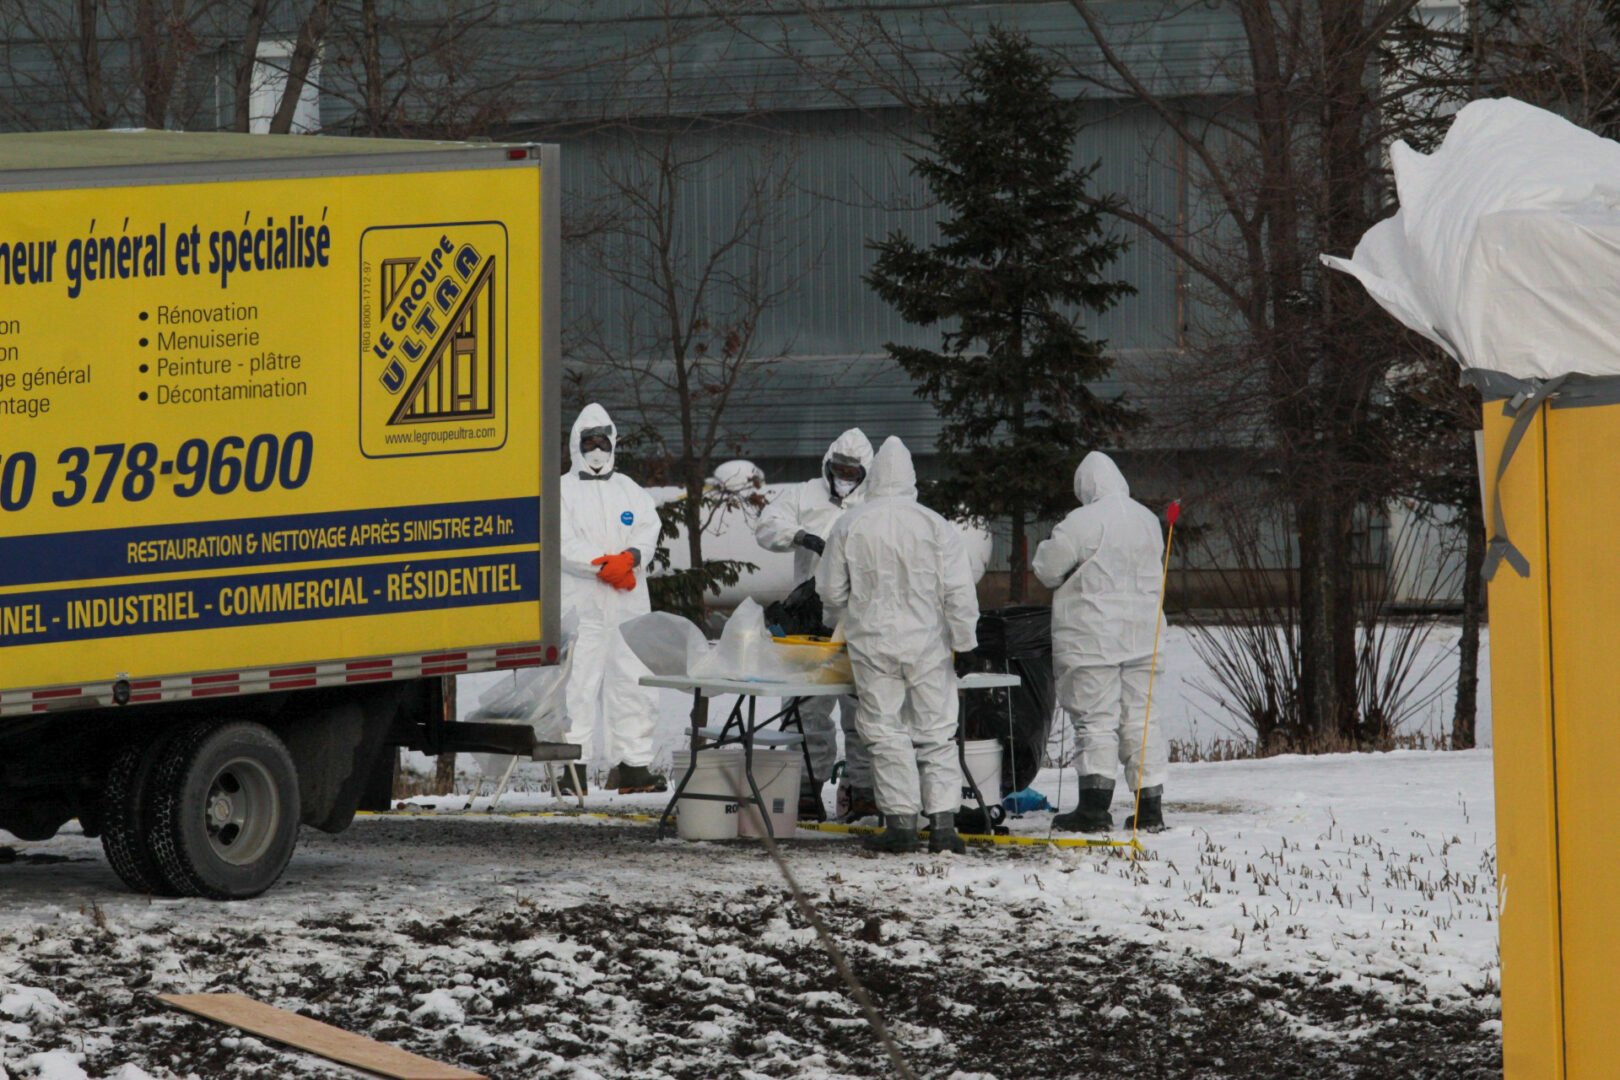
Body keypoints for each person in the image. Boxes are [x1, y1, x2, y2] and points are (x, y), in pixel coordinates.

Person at [816, 436, 980, 854]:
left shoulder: (851, 524)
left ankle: (902, 825)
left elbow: (831, 591)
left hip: (873, 645)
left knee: (885, 732)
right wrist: (965, 641)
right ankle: (943, 824)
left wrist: (837, 625)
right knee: (937, 733)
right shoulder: (935, 524)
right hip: (928, 645)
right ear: (911, 479)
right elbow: (959, 591)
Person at [1032, 451, 1168, 833]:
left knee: (1095, 720)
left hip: (1093, 638)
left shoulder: (1081, 522)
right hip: (1144, 636)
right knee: (1142, 718)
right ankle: (1150, 806)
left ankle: (1093, 808)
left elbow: (1046, 569)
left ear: (1084, 486)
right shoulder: (1147, 520)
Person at [754, 428, 877, 820]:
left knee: (865, 708)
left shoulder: (878, 501)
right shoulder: (804, 494)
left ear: (865, 473)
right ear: (827, 465)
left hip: (861, 620)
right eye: (838, 469)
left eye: (851, 471)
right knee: (806, 707)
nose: (844, 476)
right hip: (809, 619)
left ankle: (864, 791)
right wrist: (802, 537)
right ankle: (805, 788)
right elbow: (767, 525)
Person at [558, 403, 665, 795]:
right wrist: (605, 567)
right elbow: (562, 543)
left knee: (633, 683)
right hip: (582, 606)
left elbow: (648, 529)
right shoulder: (562, 491)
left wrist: (632, 558)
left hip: (626, 608)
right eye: (589, 442)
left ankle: (634, 766)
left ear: (613, 443)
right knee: (577, 686)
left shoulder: (629, 491)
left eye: (603, 441)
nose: (597, 449)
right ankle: (573, 768)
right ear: (577, 445)